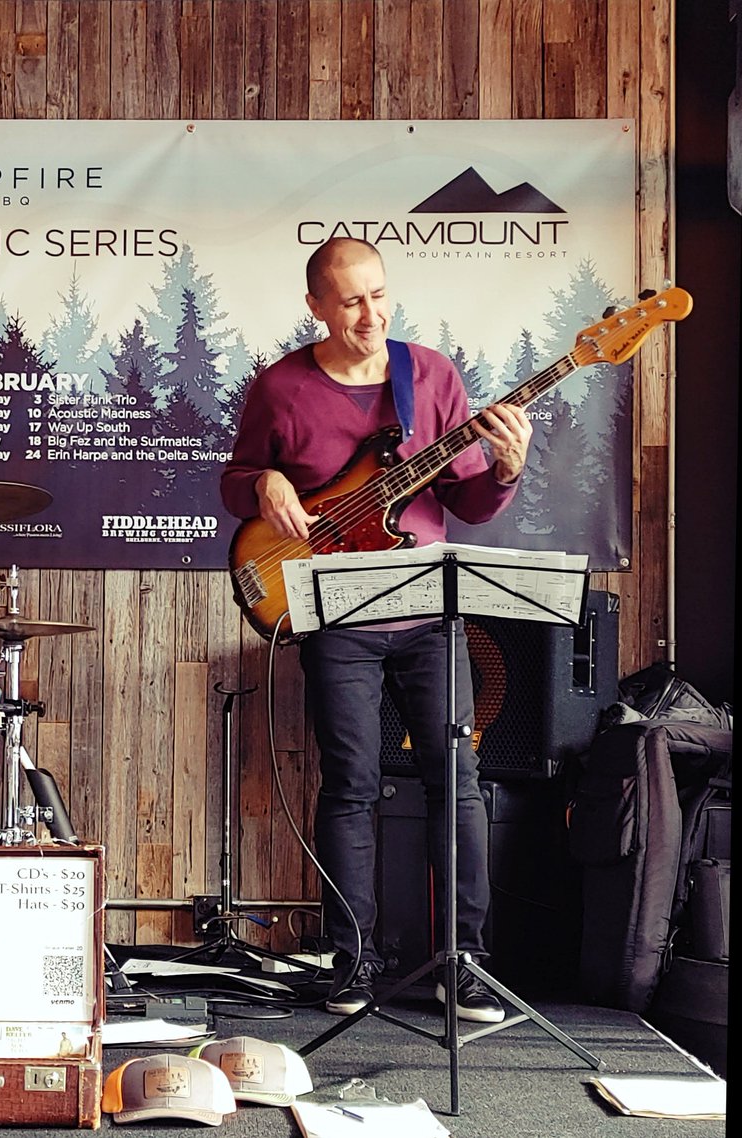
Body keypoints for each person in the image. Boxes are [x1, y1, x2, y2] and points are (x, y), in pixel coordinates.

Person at [220, 237, 533, 1023]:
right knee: (351, 785)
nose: (372, 314)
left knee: (456, 783)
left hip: (430, 611)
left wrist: (505, 469)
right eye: (352, 300)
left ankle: (462, 964)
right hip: (334, 612)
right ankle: (352, 964)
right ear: (317, 306)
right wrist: (264, 483)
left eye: (381, 295)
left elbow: (467, 503)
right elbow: (233, 482)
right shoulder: (280, 387)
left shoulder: (427, 376)